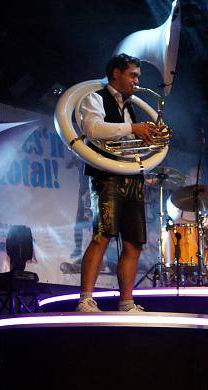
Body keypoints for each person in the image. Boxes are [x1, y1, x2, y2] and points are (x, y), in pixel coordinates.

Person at [74, 53, 160, 313]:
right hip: (106, 174)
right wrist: (133, 129)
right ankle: (86, 299)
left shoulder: (129, 106)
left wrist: (147, 137)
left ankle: (127, 302)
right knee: (102, 235)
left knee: (134, 242)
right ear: (116, 73)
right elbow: (94, 129)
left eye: (138, 77)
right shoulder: (95, 98)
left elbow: (126, 137)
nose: (136, 81)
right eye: (133, 75)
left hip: (132, 176)